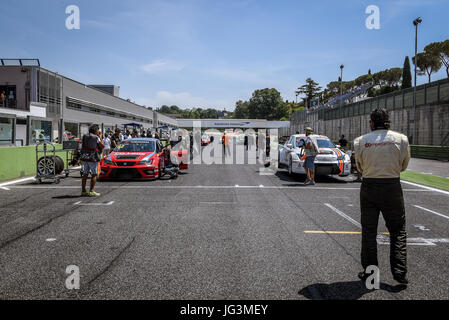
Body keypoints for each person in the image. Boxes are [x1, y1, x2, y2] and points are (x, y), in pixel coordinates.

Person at [354, 108, 411, 285]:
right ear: (388, 122)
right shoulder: (401, 139)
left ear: (371, 123)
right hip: (392, 186)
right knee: (398, 230)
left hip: (369, 186)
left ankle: (371, 275)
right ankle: (399, 273)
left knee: (369, 232)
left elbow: (359, 167)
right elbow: (404, 165)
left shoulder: (360, 141)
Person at [80, 124, 104, 197]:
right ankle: (91, 191)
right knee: (94, 174)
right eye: (98, 130)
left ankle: (83, 191)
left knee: (85, 174)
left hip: (85, 156)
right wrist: (100, 137)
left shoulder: (84, 136)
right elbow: (102, 146)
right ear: (96, 130)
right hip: (92, 157)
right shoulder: (96, 137)